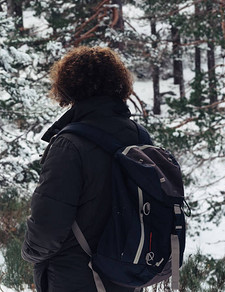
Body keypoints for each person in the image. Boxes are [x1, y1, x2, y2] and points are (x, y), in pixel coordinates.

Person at [21, 46, 138, 292]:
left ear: (68, 86)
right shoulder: (139, 137)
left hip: (76, 277)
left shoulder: (69, 145)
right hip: (128, 275)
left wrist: (30, 254)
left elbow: (47, 225)